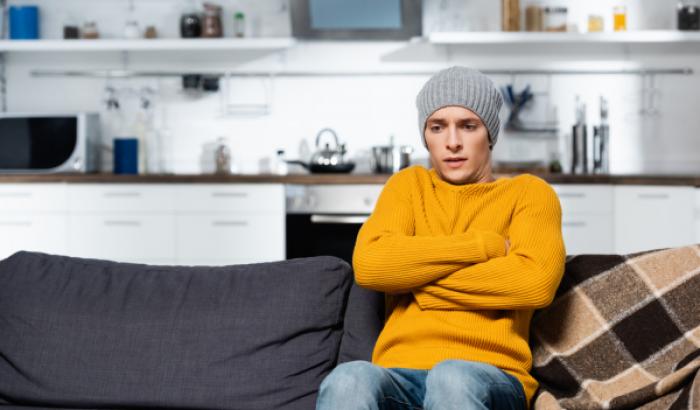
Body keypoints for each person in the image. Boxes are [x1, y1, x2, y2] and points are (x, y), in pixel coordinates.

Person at [315, 66, 566, 410]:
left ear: (489, 133)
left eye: (468, 126)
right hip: (399, 374)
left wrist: (414, 278)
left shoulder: (529, 194)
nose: (452, 142)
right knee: (348, 379)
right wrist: (484, 246)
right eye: (437, 127)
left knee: (451, 376)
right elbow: (371, 266)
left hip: (489, 375)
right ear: (426, 135)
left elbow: (533, 283)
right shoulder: (406, 186)